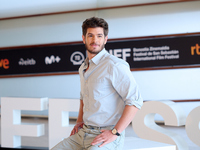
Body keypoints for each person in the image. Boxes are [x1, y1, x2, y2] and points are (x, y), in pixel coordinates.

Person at [51, 17, 143, 150]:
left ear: (105, 39)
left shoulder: (115, 65)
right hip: (83, 133)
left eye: (99, 36)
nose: (95, 40)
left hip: (105, 134)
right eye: (90, 36)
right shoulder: (83, 67)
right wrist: (79, 121)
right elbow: (84, 97)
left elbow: (135, 101)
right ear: (84, 38)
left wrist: (115, 132)